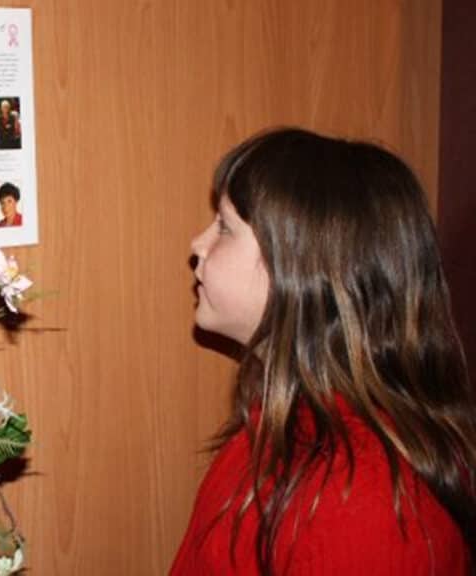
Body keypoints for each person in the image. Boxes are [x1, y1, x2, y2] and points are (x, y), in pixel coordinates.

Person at [172, 128, 475, 575]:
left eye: (225, 227)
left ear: (303, 267)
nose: (198, 244)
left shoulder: (366, 501)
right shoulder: (276, 428)